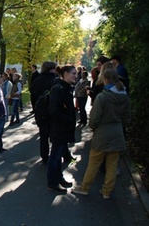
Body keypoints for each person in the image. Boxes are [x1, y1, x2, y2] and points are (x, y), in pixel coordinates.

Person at [73, 69, 131, 199]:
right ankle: (107, 191)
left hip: (102, 132)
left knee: (94, 162)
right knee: (112, 164)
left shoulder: (102, 97)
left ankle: (85, 187)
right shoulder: (124, 96)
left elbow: (94, 118)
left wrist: (93, 128)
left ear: (105, 80)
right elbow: (127, 118)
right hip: (117, 132)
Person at [47, 65, 77, 192]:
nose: (75, 76)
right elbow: (53, 111)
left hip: (64, 129)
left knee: (58, 155)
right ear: (65, 73)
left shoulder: (66, 88)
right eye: (73, 73)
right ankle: (52, 183)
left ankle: (59, 178)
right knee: (55, 156)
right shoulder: (58, 89)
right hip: (59, 129)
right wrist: (68, 119)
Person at [31, 61, 57, 164]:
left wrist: (36, 109)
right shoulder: (55, 80)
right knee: (55, 136)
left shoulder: (37, 80)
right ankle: (57, 155)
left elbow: (33, 95)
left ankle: (44, 156)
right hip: (52, 112)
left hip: (41, 113)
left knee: (43, 136)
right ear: (51, 69)